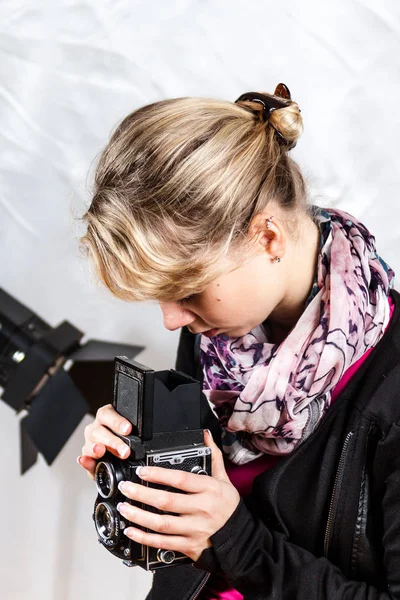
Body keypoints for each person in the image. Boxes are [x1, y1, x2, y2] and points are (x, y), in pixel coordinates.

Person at [77, 83, 400, 600]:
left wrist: (232, 538)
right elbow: (191, 554)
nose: (171, 320)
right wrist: (138, 479)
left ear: (267, 237)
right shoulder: (215, 338)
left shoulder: (391, 386)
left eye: (186, 289)